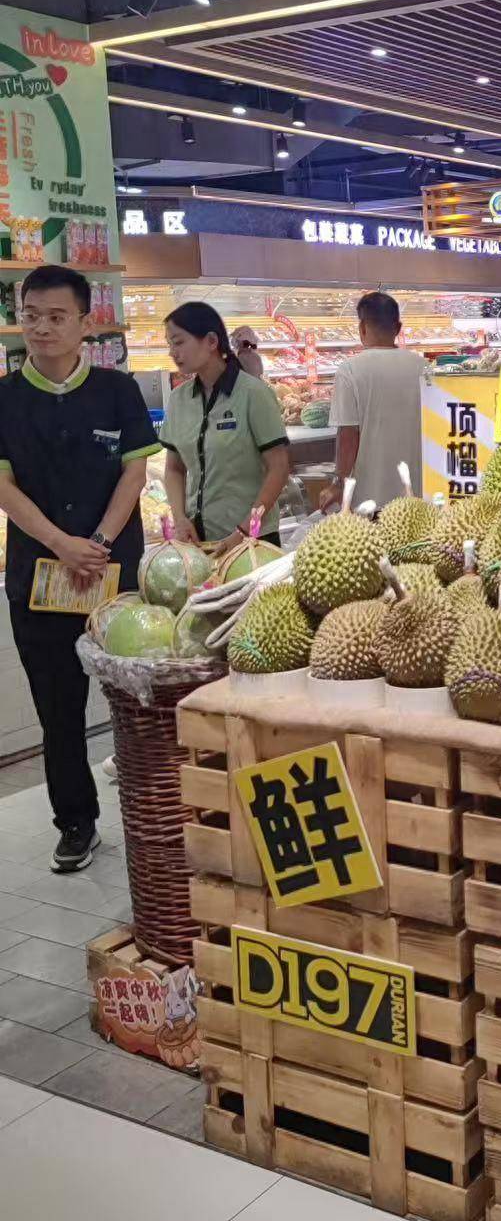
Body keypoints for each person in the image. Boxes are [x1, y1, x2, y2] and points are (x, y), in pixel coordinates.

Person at [0, 265, 159, 871]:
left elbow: (134, 473)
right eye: (31, 314)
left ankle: (155, 809)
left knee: (137, 701)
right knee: (58, 708)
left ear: (85, 323)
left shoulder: (117, 390)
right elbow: (5, 487)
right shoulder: (5, 398)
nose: (41, 328)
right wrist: (62, 544)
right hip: (38, 580)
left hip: (111, 575)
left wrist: (97, 540)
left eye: (56, 316)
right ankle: (76, 822)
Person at [160, 302, 291, 551]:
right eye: (169, 344)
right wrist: (180, 519)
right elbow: (174, 468)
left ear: (211, 341)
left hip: (253, 541)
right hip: (199, 542)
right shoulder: (179, 400)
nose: (172, 353)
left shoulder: (253, 394)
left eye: (178, 342)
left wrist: (244, 531)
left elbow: (279, 468)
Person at [320, 291, 425, 510]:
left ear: (362, 327)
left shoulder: (349, 371)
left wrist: (338, 483)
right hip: (418, 497)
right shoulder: (423, 368)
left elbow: (348, 436)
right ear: (398, 328)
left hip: (370, 501)